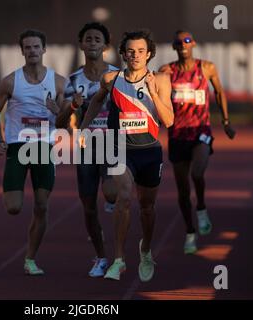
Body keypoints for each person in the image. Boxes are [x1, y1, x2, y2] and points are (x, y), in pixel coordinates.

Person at [80, 30, 174, 281]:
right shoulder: (111, 78)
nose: (135, 55)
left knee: (147, 207)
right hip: (120, 149)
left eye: (141, 51)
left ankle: (145, 249)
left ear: (149, 54)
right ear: (123, 54)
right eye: (130, 51)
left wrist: (153, 92)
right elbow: (96, 102)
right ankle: (119, 259)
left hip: (149, 150)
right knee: (123, 198)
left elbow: (169, 120)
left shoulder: (162, 80)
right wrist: (84, 128)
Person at [0, 29, 66, 275]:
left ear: (44, 49)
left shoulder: (59, 82)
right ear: (22, 51)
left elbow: (66, 121)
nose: (32, 51)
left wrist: (57, 110)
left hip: (44, 147)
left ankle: (30, 259)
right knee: (13, 207)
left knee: (42, 206)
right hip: (17, 146)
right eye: (28, 47)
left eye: (36, 47)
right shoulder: (10, 81)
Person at [159, 30, 236, 254]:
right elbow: (155, 96)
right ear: (174, 47)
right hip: (177, 135)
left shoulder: (206, 67)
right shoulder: (167, 71)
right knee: (182, 191)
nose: (183, 44)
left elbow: (220, 91)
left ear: (194, 44)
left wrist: (226, 121)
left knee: (198, 174)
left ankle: (201, 207)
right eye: (178, 42)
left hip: (200, 131)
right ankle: (190, 232)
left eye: (187, 40)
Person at [56, 22, 118, 278]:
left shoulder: (118, 77)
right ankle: (101, 257)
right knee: (89, 207)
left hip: (114, 146)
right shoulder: (73, 81)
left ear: (105, 45)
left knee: (112, 195)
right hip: (86, 150)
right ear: (81, 44)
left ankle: (120, 251)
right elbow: (59, 123)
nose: (92, 43)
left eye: (97, 39)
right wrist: (72, 108)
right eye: (88, 39)